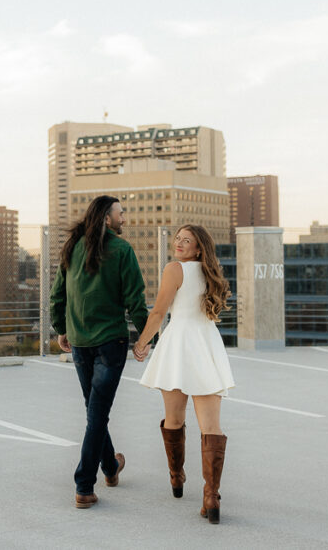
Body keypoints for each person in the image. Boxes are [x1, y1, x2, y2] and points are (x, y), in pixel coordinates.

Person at [50, 195, 148, 509]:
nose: (124, 218)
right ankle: (83, 485)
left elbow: (57, 295)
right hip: (110, 343)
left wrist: (61, 328)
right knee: (97, 414)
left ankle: (110, 467)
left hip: (80, 341)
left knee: (95, 411)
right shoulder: (122, 250)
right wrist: (146, 338)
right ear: (107, 218)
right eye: (121, 213)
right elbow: (136, 299)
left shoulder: (73, 247)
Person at [133, 224, 235, 524]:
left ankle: (177, 478)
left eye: (186, 241)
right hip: (206, 345)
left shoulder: (174, 269)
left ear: (198, 248)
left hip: (178, 345)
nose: (179, 244)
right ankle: (211, 495)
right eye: (177, 239)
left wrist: (142, 343)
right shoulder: (210, 272)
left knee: (175, 419)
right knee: (211, 426)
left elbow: (158, 313)